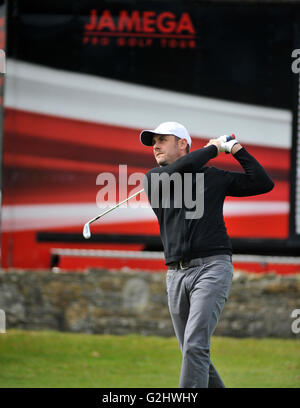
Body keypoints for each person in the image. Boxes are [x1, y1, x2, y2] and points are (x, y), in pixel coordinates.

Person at [139, 121, 274, 388]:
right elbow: (180, 170)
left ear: (182, 144)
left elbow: (263, 182)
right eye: (153, 141)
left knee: (195, 346)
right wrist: (213, 148)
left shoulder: (213, 177)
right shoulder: (155, 179)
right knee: (193, 351)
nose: (155, 146)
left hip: (212, 268)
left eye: (162, 140)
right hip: (176, 275)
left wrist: (235, 149)